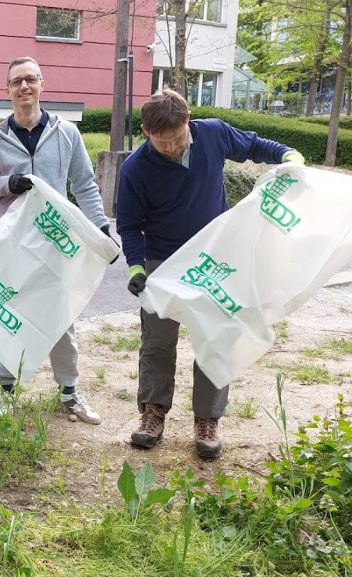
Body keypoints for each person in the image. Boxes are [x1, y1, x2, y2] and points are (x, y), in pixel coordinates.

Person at [117, 89, 303, 459]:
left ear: (189, 122)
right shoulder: (135, 169)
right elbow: (130, 226)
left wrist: (289, 156)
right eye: (161, 142)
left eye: (177, 139)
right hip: (164, 262)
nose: (171, 148)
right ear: (145, 132)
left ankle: (207, 418)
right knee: (157, 341)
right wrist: (136, 268)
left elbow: (255, 146)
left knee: (216, 338)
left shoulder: (214, 133)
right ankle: (152, 412)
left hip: (215, 257)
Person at [0, 55, 110, 425]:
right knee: (6, 315)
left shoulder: (67, 134)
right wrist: (8, 184)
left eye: (30, 79)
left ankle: (69, 392)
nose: (24, 87)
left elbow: (84, 184)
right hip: (12, 247)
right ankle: (6, 392)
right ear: (7, 90)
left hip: (54, 243)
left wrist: (101, 228)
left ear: (42, 84)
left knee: (60, 318)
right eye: (17, 81)